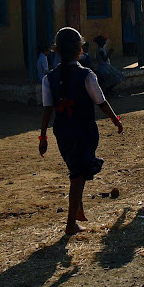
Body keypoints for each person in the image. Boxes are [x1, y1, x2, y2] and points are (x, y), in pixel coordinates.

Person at [39, 28, 123, 235]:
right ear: (80, 50)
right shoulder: (87, 75)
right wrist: (115, 120)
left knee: (77, 168)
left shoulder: (48, 78)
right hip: (83, 130)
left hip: (63, 132)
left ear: (56, 50)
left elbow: (47, 109)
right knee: (77, 174)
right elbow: (101, 102)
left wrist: (43, 136)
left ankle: (78, 209)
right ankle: (70, 224)